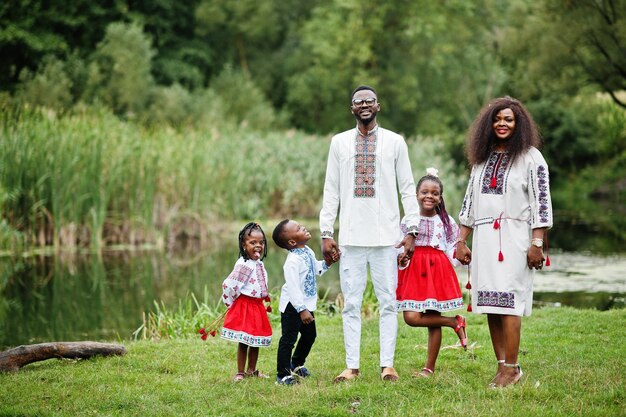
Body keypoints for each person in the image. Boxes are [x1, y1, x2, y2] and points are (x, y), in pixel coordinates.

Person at [319, 85, 421, 382]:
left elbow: (407, 188)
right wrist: (326, 231)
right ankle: (351, 366)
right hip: (350, 238)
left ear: (378, 106)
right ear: (352, 109)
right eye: (358, 102)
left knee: (388, 301)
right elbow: (331, 190)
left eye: (369, 101)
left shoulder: (395, 142)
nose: (364, 105)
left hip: (387, 237)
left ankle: (387, 365)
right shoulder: (339, 143)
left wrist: (411, 230)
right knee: (350, 303)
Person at [455, 96, 553, 388]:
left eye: (508, 119)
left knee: (509, 302)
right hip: (485, 237)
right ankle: (501, 367)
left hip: (515, 237)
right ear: (489, 123)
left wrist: (537, 242)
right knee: (491, 303)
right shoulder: (481, 159)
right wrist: (461, 239)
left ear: (518, 123)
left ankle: (513, 367)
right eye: (497, 119)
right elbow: (470, 203)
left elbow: (542, 203)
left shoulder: (531, 157)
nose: (502, 124)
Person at [396, 168, 467, 378]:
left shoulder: (446, 221)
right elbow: (400, 245)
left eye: (434, 193)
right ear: (416, 195)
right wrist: (400, 260)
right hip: (414, 269)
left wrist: (461, 259)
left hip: (437, 269)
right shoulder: (408, 219)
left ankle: (429, 368)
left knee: (433, 316)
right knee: (411, 317)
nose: (429, 196)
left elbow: (453, 247)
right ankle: (454, 322)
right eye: (425, 192)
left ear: (440, 197)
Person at [271, 219, 337, 385]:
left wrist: (327, 263)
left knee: (309, 335)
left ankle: (296, 364)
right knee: (288, 340)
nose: (304, 227)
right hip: (293, 307)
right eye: (299, 228)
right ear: (292, 241)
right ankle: (283, 374)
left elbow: (316, 269)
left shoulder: (307, 251)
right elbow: (293, 288)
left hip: (305, 305)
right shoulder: (292, 262)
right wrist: (301, 310)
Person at [221, 222, 272, 382]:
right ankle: (240, 372)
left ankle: (252, 370)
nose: (258, 246)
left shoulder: (260, 264)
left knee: (255, 340)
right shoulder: (243, 264)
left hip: (257, 306)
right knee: (244, 340)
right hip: (245, 305)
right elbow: (230, 284)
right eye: (252, 243)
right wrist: (231, 303)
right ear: (244, 246)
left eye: (261, 242)